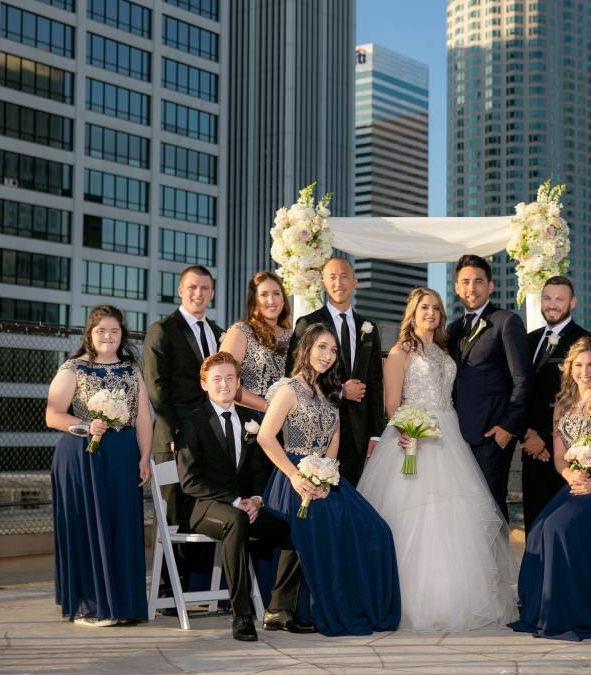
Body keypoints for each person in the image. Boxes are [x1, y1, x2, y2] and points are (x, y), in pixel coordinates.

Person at [358, 288, 517, 631]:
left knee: (453, 520)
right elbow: (391, 403)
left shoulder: (445, 350)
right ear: (412, 313)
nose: (430, 312)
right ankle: (410, 601)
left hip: (449, 435)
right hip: (414, 436)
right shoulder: (401, 351)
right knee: (414, 517)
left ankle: (453, 598)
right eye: (423, 307)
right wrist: (408, 430)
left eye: (436, 307)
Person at [260, 323, 400, 636]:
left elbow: (333, 443)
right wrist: (297, 476)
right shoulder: (288, 389)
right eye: (322, 347)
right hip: (290, 479)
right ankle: (294, 608)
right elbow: (266, 438)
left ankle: (364, 604)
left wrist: (327, 475)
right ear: (306, 348)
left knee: (377, 529)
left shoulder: (328, 395)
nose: (328, 355)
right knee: (330, 524)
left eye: (333, 350)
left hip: (324, 477)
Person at [510, 337, 591, 641]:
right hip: (579, 483)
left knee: (559, 528)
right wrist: (571, 475)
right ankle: (544, 609)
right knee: (540, 529)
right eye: (579, 365)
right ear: (569, 369)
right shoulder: (562, 406)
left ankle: (578, 611)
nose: (585, 371)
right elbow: (559, 458)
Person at [175, 352, 306, 641]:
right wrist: (236, 502)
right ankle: (242, 614)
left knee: (293, 531)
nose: (224, 384)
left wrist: (257, 499)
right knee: (236, 520)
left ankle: (279, 611)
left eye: (230, 378)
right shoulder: (192, 421)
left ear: (238, 383)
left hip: (247, 506)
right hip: (203, 508)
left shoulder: (250, 420)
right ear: (204, 384)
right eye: (217, 379)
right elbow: (190, 480)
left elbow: (259, 469)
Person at [45, 305, 151, 626]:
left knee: (120, 526)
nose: (108, 336)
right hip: (82, 456)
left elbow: (144, 416)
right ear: (90, 334)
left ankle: (123, 605)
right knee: (90, 527)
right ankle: (91, 605)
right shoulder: (73, 368)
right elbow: (53, 416)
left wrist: (144, 456)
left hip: (121, 456)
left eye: (115, 331)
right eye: (101, 330)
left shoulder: (132, 370)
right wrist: (85, 427)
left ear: (123, 335)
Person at [286, 258, 385, 486]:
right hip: (319, 427)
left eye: (343, 276)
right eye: (332, 277)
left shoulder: (368, 327)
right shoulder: (307, 323)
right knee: (318, 490)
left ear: (354, 282)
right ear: (323, 282)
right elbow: (293, 375)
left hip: (359, 432)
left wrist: (376, 433)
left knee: (352, 492)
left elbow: (376, 382)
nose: (338, 282)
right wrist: (340, 391)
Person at [447, 254, 532, 520]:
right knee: (460, 509)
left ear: (490, 286)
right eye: (465, 282)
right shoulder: (451, 329)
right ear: (457, 288)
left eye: (478, 281)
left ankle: (496, 563)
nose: (472, 288)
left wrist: (508, 428)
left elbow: (523, 379)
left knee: (490, 509)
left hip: (491, 436)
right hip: (455, 438)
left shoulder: (507, 322)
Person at [141, 265, 224, 536]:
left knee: (202, 514)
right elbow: (156, 388)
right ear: (180, 290)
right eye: (192, 287)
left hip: (209, 440)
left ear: (212, 293)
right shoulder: (162, 330)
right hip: (174, 439)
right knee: (172, 519)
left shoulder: (217, 332)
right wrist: (178, 431)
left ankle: (194, 580)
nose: (198, 293)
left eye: (204, 288)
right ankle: (166, 581)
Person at [519, 276, 591, 533]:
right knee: (534, 524)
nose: (552, 304)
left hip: (567, 452)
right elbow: (519, 389)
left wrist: (547, 439)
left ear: (572, 302)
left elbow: (584, 399)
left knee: (562, 528)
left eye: (559, 299)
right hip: (531, 448)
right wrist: (526, 434)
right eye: (547, 298)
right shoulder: (528, 340)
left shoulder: (584, 341)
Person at [219, 271, 292, 413]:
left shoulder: (293, 336)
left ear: (283, 299)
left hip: (289, 420)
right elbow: (225, 382)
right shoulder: (240, 332)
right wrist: (268, 408)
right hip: (251, 420)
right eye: (264, 294)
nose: (271, 300)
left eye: (276, 293)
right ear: (254, 300)